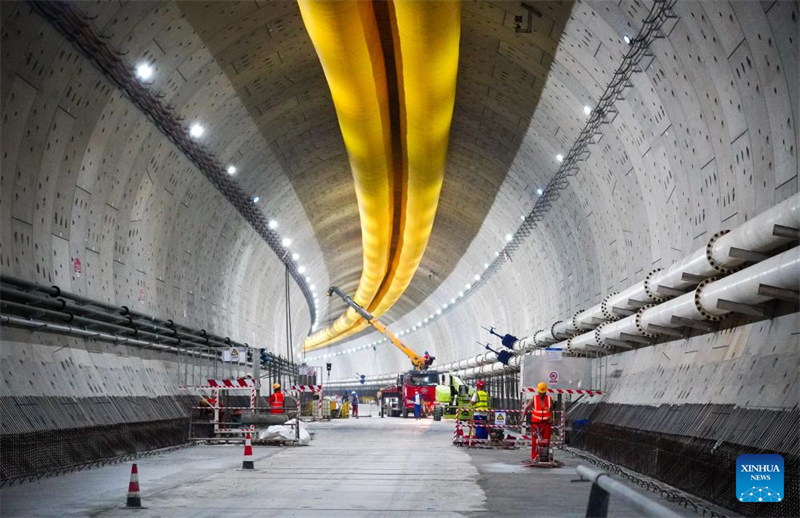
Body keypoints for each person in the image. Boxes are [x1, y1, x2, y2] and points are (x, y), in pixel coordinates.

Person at [523, 382, 552, 461]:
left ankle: (545, 457)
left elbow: (551, 410)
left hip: (546, 424)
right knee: (534, 442)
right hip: (536, 425)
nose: (541, 394)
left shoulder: (549, 399)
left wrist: (552, 419)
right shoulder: (534, 399)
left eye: (543, 393)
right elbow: (526, 408)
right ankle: (534, 457)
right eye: (540, 392)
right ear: (538, 391)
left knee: (546, 441)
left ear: (545, 392)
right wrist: (522, 418)